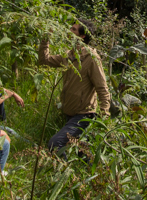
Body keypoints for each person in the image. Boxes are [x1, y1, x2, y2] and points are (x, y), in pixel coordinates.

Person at [37, 22, 111, 156]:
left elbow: (102, 88)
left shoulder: (92, 59)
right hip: (69, 115)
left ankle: (61, 174)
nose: (69, 30)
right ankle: (88, 173)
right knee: (81, 153)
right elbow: (44, 61)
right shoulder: (68, 56)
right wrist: (45, 38)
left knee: (55, 144)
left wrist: (104, 116)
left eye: (73, 29)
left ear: (82, 36)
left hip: (83, 116)